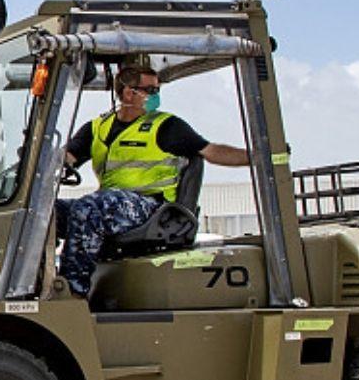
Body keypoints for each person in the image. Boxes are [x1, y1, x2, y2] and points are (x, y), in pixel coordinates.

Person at [56, 64, 248, 298]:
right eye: (151, 90)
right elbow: (68, 157)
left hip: (152, 208)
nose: (156, 96)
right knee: (49, 212)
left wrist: (256, 157)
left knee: (90, 207)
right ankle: (37, 282)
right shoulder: (97, 128)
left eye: (157, 89)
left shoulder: (166, 127)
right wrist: (47, 160)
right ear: (129, 93)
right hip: (111, 205)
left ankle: (72, 291)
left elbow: (212, 151)